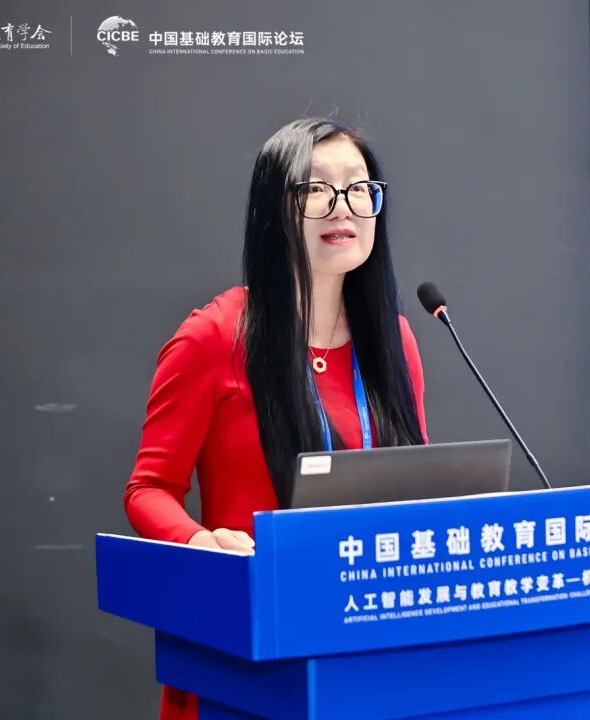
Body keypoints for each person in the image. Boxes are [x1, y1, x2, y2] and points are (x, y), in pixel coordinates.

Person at [123, 118, 429, 720]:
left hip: (365, 650)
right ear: (274, 207)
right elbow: (148, 489)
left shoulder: (394, 340)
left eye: (359, 187)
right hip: (250, 652)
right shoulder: (216, 336)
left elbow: (416, 489)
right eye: (316, 188)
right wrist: (201, 544)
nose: (343, 206)